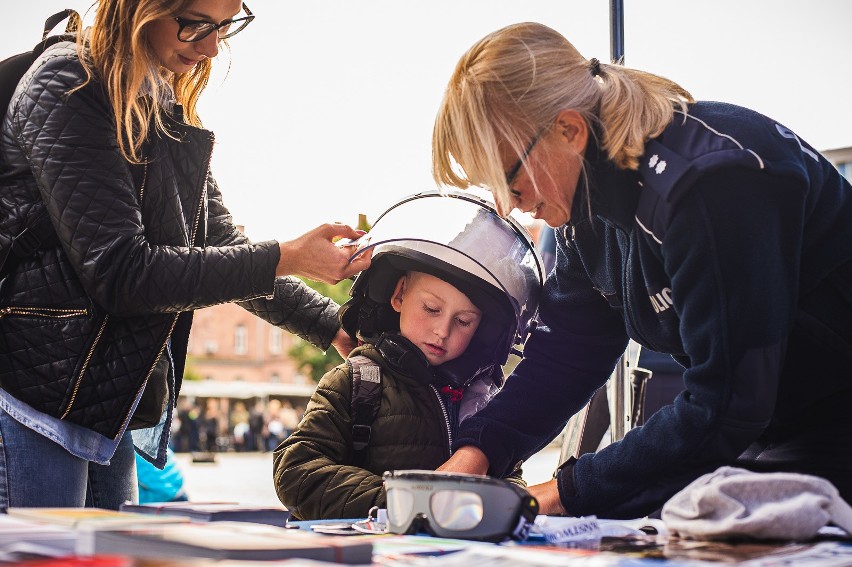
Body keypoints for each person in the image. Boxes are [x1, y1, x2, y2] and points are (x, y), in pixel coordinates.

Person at [431, 22, 852, 519]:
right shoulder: (584, 209)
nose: (508, 205)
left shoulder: (711, 182)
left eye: (510, 180)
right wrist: (477, 452)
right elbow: (567, 354)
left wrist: (563, 493)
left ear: (569, 130)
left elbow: (727, 402)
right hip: (769, 429)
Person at [0, 0, 369, 510]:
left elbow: (217, 240)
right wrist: (287, 257)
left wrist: (335, 325)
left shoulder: (158, 100)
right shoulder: (70, 82)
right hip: (29, 399)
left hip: (104, 408)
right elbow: (121, 272)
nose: (213, 46)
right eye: (196, 24)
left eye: (224, 27)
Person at [273, 189, 543, 520]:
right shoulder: (357, 381)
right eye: (431, 308)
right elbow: (296, 471)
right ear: (399, 295)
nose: (443, 330)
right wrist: (404, 502)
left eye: (464, 321)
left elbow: (511, 476)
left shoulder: (486, 398)